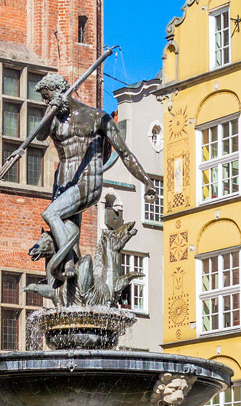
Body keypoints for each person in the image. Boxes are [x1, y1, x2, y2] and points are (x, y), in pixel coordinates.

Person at [28, 72, 158, 286]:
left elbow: (125, 153)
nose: (45, 102)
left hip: (87, 182)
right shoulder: (53, 121)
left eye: (47, 97)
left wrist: (147, 181)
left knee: (51, 213)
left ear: (59, 92)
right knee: (68, 227)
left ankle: (65, 260)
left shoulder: (97, 117)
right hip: (62, 182)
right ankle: (74, 274)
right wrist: (50, 111)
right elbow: (39, 135)